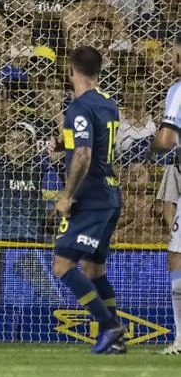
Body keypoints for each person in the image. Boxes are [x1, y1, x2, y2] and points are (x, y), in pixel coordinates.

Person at [50, 46, 126, 354]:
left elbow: (84, 152)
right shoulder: (108, 103)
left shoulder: (79, 107)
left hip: (90, 197)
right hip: (110, 194)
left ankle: (109, 326)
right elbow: (93, 142)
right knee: (95, 270)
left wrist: (66, 195)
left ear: (71, 71)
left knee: (63, 266)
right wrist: (61, 144)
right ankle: (116, 339)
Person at [149, 36, 181, 355]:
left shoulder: (178, 90)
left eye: (176, 56)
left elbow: (167, 138)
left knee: (177, 255)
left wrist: (146, 148)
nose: (173, 62)